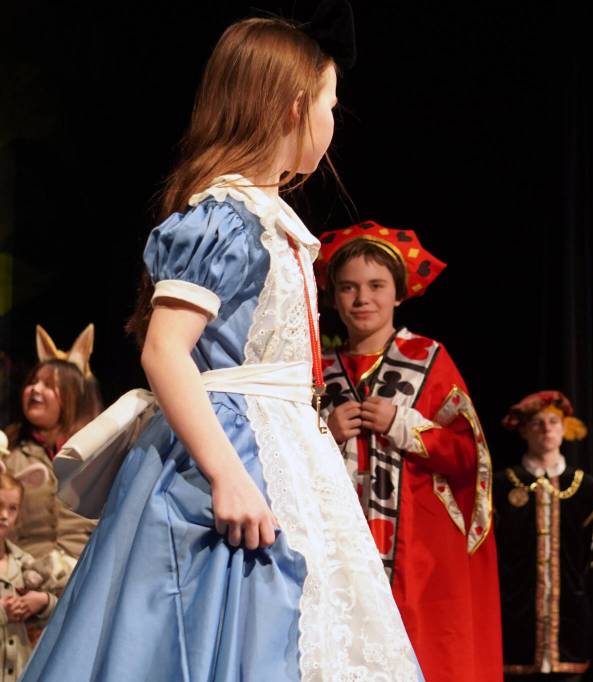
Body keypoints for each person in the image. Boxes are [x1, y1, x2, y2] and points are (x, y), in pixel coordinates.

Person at [21, 17, 420, 681]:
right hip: (235, 449)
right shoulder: (225, 218)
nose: (331, 118)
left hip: (283, 447)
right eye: (329, 103)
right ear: (294, 107)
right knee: (223, 625)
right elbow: (165, 350)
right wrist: (228, 473)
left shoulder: (265, 219)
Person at [317, 223, 502, 681]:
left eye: (376, 285)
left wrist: (404, 426)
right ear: (334, 297)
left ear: (398, 293)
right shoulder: (317, 371)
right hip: (338, 549)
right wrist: (324, 432)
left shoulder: (429, 358)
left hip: (418, 558)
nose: (363, 298)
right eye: (349, 287)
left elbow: (469, 458)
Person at [494, 390, 593, 679]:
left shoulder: (586, 489)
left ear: (565, 429)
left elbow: (591, 556)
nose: (546, 429)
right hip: (516, 615)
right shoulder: (501, 486)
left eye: (554, 422)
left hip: (569, 614)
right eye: (537, 423)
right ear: (523, 430)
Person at [1, 325, 101, 591]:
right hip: (23, 584)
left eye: (49, 385)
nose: (35, 390)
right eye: (32, 382)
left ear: (75, 395)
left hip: (86, 581)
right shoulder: (8, 453)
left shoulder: (99, 452)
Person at [0, 469, 58, 682]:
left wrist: (42, 602)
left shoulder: (24, 562)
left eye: (12, 509)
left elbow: (58, 610)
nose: (4, 516)